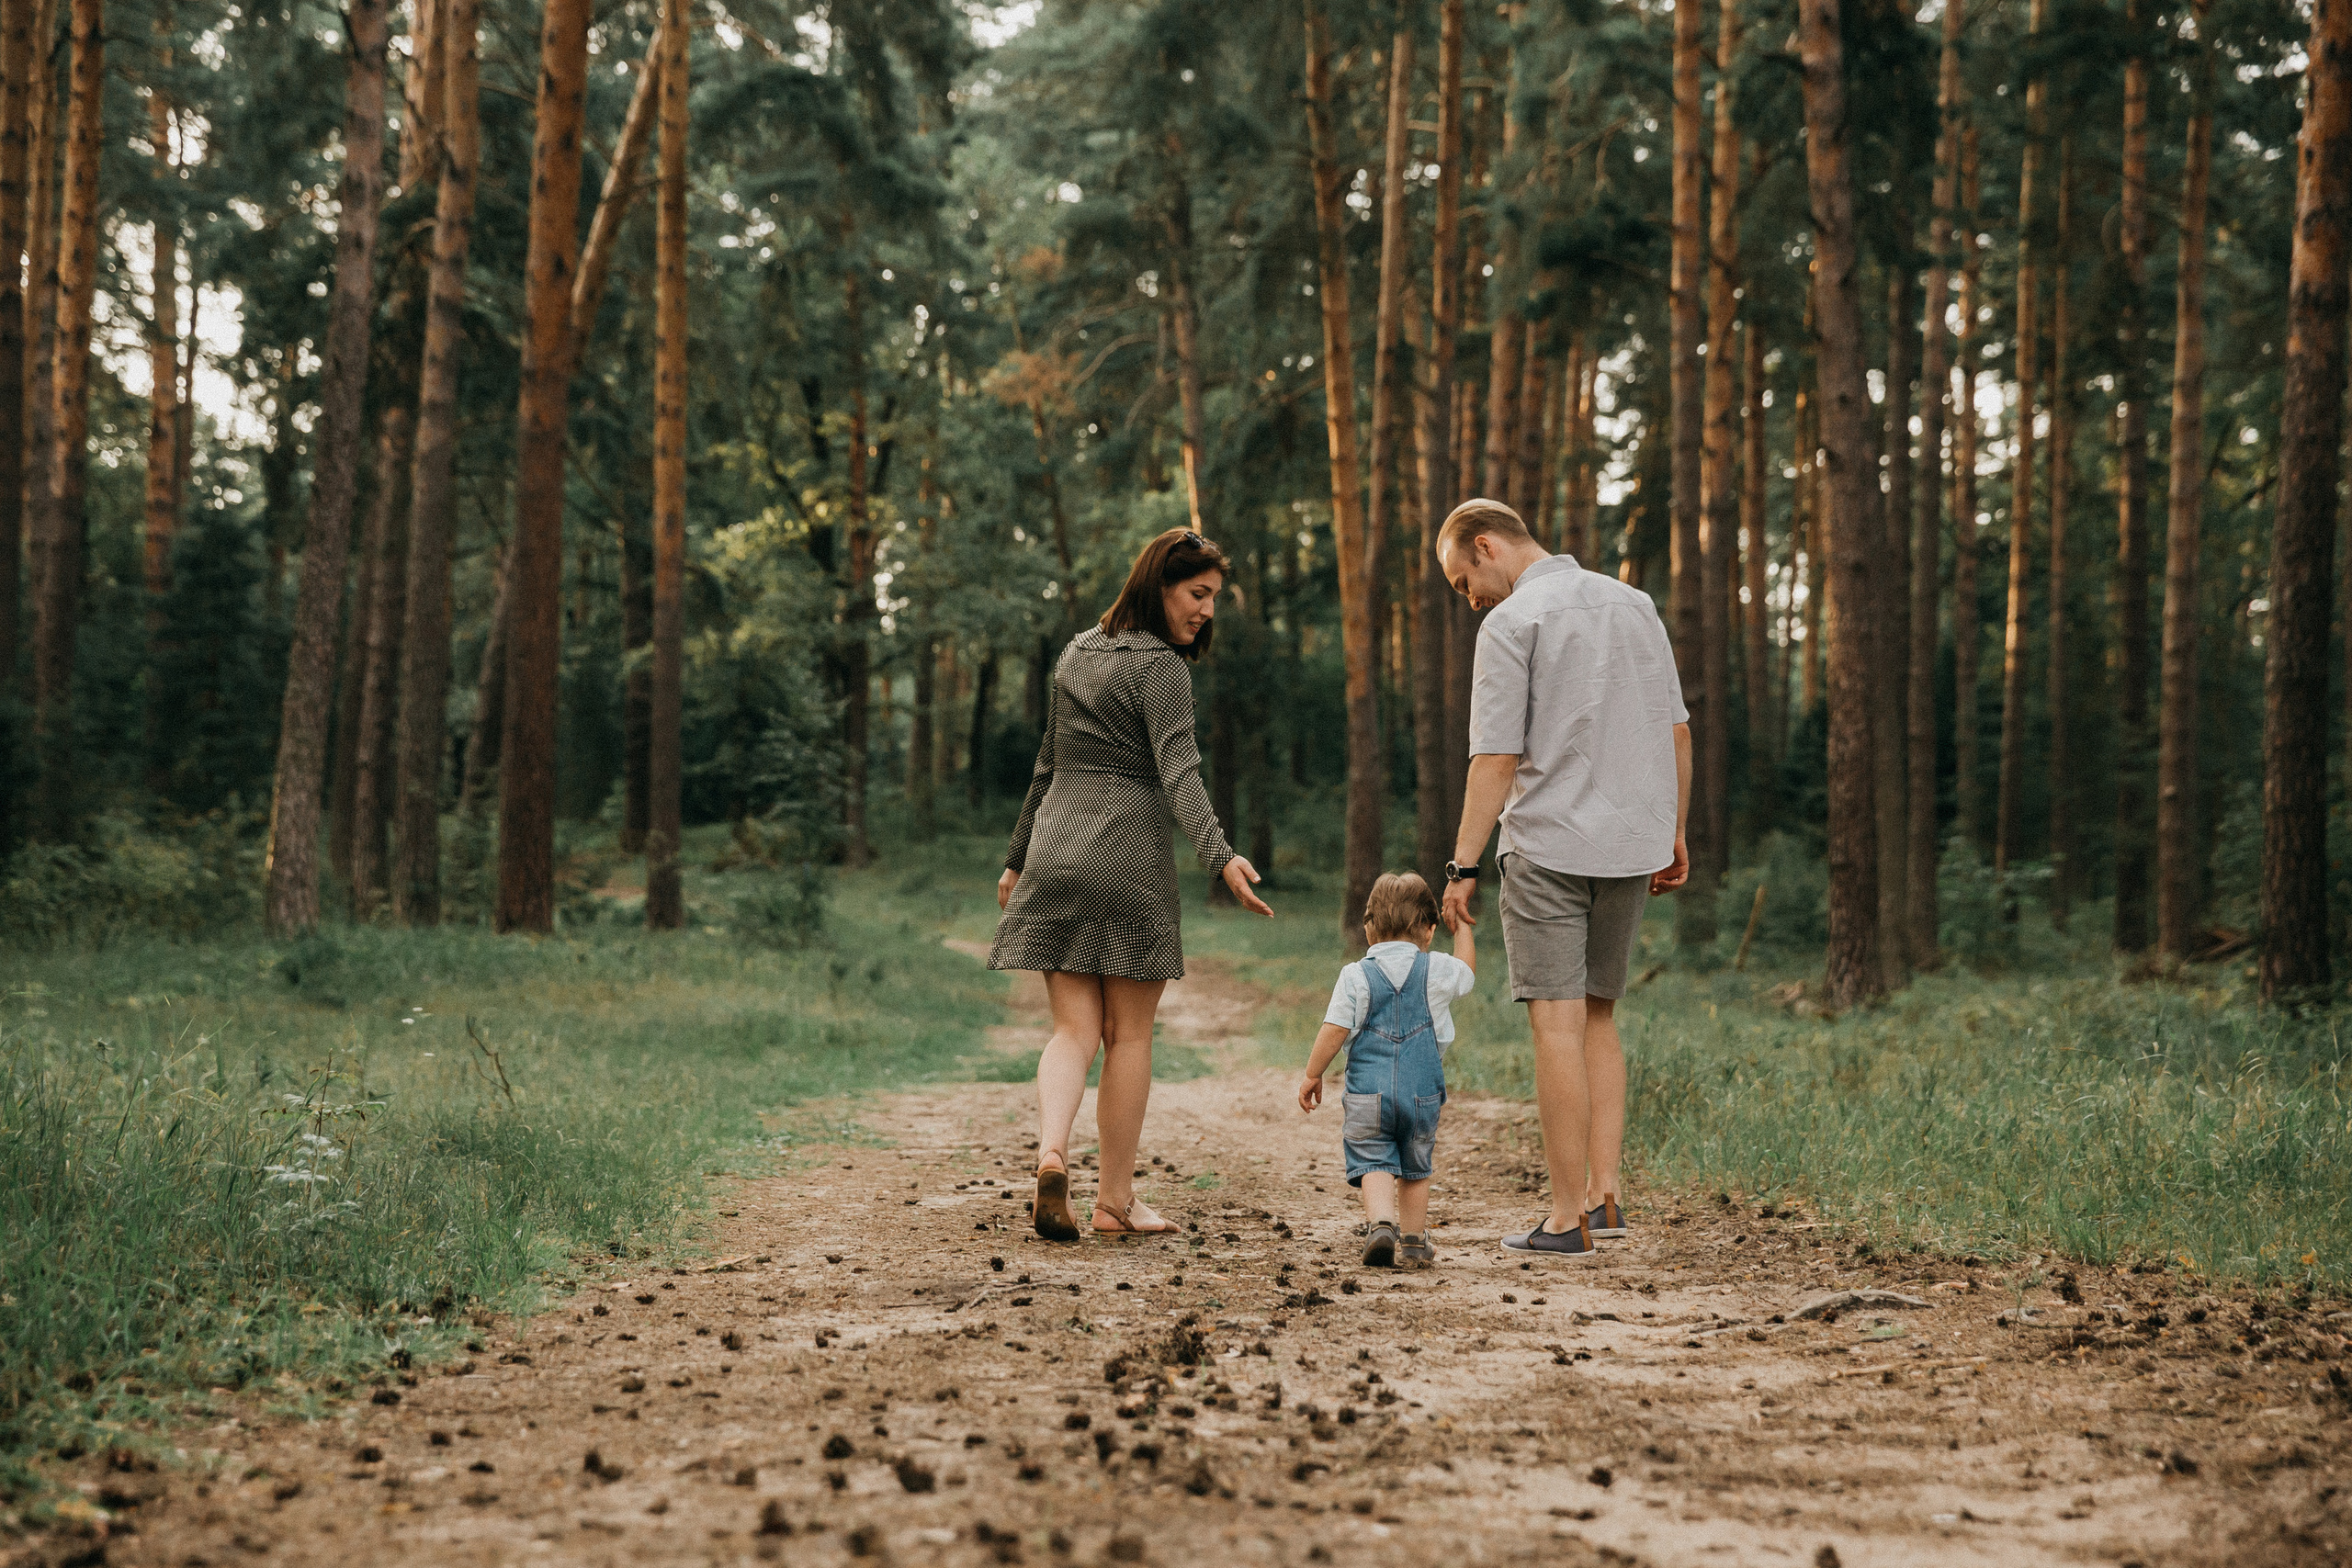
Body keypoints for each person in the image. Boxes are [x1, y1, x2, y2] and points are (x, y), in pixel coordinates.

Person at [990, 528, 1273, 1243]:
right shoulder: (1163, 669)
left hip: (1056, 845)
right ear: (1160, 585)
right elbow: (1179, 771)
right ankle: (1113, 1202)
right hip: (1127, 855)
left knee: (1071, 1029)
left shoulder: (1077, 651)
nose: (1207, 609)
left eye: (1213, 598)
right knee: (1131, 1035)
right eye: (1197, 593)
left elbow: (1045, 767)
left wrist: (1018, 857)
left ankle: (1052, 1152)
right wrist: (1222, 855)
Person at [1433, 499, 1690, 1259]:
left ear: (1487, 546)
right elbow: (1677, 726)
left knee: (1556, 1024)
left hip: (1548, 845)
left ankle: (1561, 1216)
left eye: (1462, 580)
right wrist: (1673, 830)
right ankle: (1605, 1196)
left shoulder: (1511, 624)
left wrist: (1463, 864)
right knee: (1600, 1018)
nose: (1469, 597)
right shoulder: (1635, 604)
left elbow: (1496, 758)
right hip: (1629, 844)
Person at [1297, 872, 1476, 1269]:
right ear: (1429, 931)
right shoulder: (1437, 970)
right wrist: (1462, 927)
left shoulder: (1355, 976)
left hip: (1367, 1095)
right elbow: (1468, 973)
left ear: (1368, 929)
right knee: (1415, 1166)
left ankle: (1381, 1225)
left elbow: (1334, 1030)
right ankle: (1413, 1241)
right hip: (1421, 1094)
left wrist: (1313, 1073)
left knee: (1374, 1159)